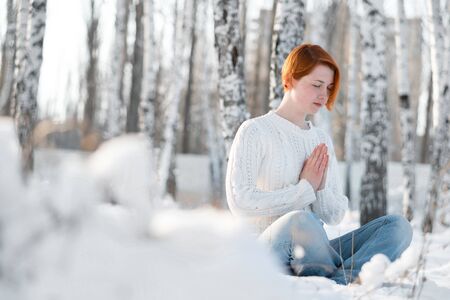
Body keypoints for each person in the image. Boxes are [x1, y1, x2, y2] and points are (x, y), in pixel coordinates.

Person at [225, 44, 412, 285]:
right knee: (300, 221)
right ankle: (338, 278)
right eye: (316, 85)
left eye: (329, 87)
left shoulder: (321, 139)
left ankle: (340, 282)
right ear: (290, 80)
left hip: (313, 252)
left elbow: (334, 215)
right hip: (264, 251)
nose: (324, 95)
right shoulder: (255, 130)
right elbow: (240, 201)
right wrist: (305, 189)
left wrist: (320, 188)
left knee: (398, 226)